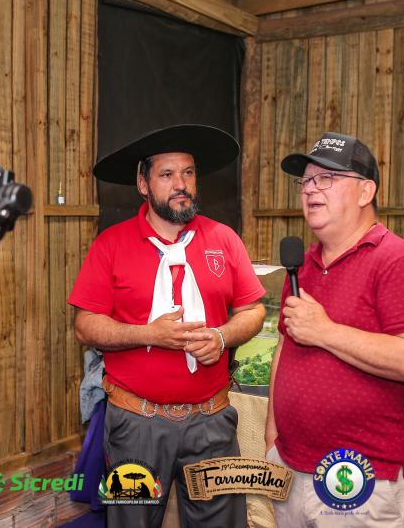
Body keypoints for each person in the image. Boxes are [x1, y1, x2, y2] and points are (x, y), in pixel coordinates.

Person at [69, 124, 266, 527]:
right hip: (135, 427)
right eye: (167, 174)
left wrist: (222, 336)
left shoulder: (224, 239)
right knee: (131, 522)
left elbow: (253, 310)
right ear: (143, 183)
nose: (181, 184)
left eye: (188, 173)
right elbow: (85, 326)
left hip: (212, 424)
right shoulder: (111, 244)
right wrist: (148, 334)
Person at [266, 132, 404, 527]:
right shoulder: (302, 265)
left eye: (326, 178)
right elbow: (284, 347)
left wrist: (325, 331)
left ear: (365, 192)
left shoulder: (398, 262)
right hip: (290, 465)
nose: (310, 189)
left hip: (361, 478)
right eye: (305, 181)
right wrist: (271, 438)